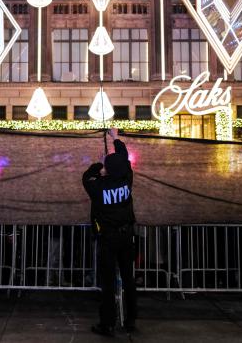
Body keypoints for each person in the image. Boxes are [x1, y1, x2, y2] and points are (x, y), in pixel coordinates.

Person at [82, 128, 137, 336]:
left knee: (108, 282)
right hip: (126, 236)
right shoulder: (127, 180)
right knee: (128, 279)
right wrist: (115, 137)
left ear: (106, 169)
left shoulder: (97, 188)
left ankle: (107, 323)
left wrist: (99, 166)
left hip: (108, 238)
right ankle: (130, 320)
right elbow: (124, 158)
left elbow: (87, 176)